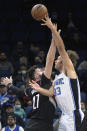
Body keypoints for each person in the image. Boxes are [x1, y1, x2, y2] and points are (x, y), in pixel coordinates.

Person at [29, 16, 84, 131]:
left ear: (64, 61)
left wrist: (53, 31)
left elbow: (61, 48)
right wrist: (38, 89)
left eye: (58, 59)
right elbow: (50, 93)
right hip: (63, 116)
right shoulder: (56, 78)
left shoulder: (70, 72)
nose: (56, 60)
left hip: (73, 115)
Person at [1, 29, 60, 131]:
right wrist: (53, 41)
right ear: (35, 76)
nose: (43, 70)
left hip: (35, 124)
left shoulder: (31, 88)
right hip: (42, 124)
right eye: (40, 70)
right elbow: (50, 60)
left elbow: (19, 92)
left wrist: (10, 85)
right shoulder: (44, 82)